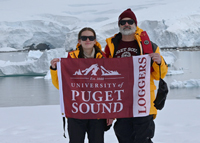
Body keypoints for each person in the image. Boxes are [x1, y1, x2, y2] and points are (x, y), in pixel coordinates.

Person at [104, 8, 168, 143]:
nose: (126, 24)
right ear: (119, 25)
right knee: (124, 137)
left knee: (143, 139)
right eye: (123, 22)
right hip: (121, 100)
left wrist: (159, 62)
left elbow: (158, 75)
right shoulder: (111, 46)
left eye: (130, 21)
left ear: (135, 23)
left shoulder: (149, 46)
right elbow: (106, 75)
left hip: (142, 101)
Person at [50, 27, 111, 143]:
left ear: (95, 40)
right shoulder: (71, 58)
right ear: (79, 41)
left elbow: (110, 88)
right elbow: (62, 86)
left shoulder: (104, 58)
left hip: (97, 112)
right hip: (76, 111)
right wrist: (54, 69)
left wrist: (110, 113)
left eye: (90, 38)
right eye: (84, 38)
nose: (87, 40)